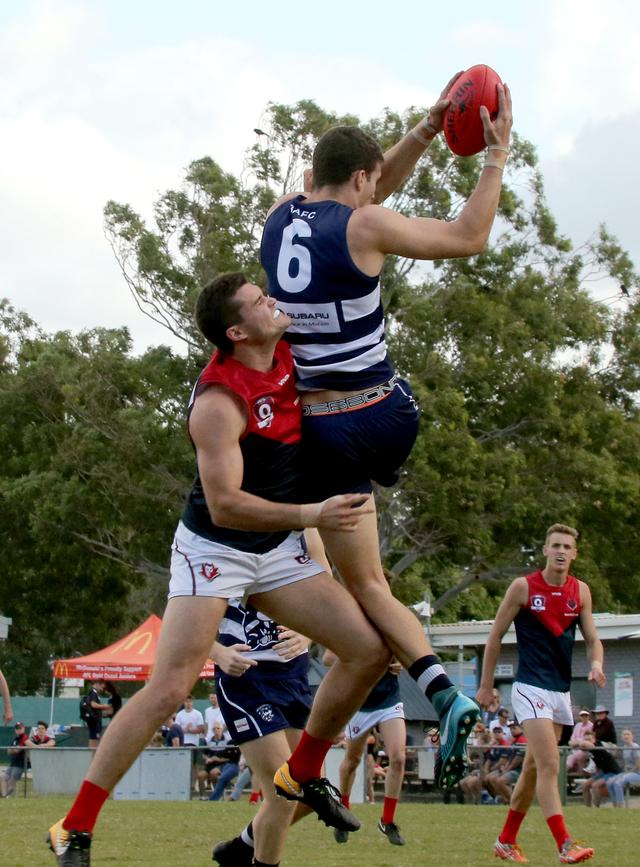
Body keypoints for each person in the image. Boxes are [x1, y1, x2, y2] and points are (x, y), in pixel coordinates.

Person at [48, 272, 391, 866]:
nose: (274, 302)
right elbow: (228, 503)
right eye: (261, 302)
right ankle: (73, 827)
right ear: (237, 331)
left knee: (368, 650)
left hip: (277, 549)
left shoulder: (286, 346)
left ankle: (303, 772)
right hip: (216, 551)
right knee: (170, 689)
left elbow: (318, 223)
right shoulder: (217, 401)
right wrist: (315, 513)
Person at [261, 75, 513, 790]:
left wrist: (425, 132)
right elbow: (470, 236)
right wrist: (494, 155)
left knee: (365, 580)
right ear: (365, 180)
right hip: (381, 414)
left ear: (312, 175)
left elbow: (357, 192)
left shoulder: (280, 217)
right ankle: (444, 690)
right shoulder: (365, 225)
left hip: (318, 429)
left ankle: (427, 695)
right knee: (368, 578)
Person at [476, 523, 606, 864]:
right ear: (545, 550)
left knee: (534, 769)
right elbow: (494, 638)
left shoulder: (581, 592)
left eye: (567, 546)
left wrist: (596, 664)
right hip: (528, 687)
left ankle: (505, 840)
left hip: (559, 693)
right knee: (550, 764)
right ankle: (565, 843)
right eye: (556, 545)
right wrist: (487, 685)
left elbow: (593, 638)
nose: (561, 551)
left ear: (574, 554)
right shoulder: (523, 587)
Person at [211, 595, 315, 867]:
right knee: (284, 793)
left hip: (293, 678)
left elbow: (322, 604)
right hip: (246, 679)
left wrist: (306, 635)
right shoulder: (218, 555)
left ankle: (241, 845)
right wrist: (218, 652)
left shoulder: (307, 551)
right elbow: (182, 625)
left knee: (311, 793)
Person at [322, 649, 407, 846]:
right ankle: (343, 811)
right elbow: (328, 658)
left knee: (398, 758)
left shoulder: (390, 624)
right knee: (352, 761)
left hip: (389, 700)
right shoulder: (351, 622)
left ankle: (387, 821)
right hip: (359, 703)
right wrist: (367, 655)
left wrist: (401, 662)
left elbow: (408, 651)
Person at [579, 731, 622, 807]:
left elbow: (586, 745)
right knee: (585, 786)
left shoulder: (597, 745)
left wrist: (582, 742)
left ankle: (596, 807)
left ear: (594, 739)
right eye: (586, 739)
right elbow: (574, 745)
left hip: (613, 772)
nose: (587, 741)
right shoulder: (588, 749)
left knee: (595, 785)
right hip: (603, 771)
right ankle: (588, 807)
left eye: (589, 739)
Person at [606, 728, 640, 807]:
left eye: (628, 734)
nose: (626, 736)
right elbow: (625, 763)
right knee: (610, 782)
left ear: (632, 736)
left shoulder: (635, 747)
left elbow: (638, 765)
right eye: (624, 734)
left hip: (638, 774)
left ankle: (620, 806)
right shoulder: (624, 748)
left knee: (618, 783)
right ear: (622, 737)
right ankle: (615, 805)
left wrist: (626, 774)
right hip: (629, 773)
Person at [0, 721, 29, 797]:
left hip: (20, 764)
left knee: (11, 781)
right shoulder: (16, 739)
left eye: (20, 728)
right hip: (13, 763)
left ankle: (5, 796)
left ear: (23, 728)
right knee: (2, 778)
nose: (18, 730)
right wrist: (14, 749)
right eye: (17, 728)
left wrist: (13, 749)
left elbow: (17, 750)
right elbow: (8, 751)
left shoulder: (25, 737)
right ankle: (4, 796)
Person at [84, 680, 111, 748]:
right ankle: (92, 751)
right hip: (93, 720)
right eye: (102, 687)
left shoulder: (93, 693)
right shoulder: (93, 693)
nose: (102, 689)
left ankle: (93, 750)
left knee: (94, 736)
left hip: (94, 719)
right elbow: (93, 705)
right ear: (97, 684)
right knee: (94, 737)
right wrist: (105, 706)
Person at [566, 709, 593, 774]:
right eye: (582, 716)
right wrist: (577, 742)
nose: (584, 717)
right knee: (568, 762)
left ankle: (580, 775)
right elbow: (572, 740)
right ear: (580, 717)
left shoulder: (591, 725)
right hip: (574, 749)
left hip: (586, 750)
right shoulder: (578, 725)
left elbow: (588, 740)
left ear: (588, 717)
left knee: (579, 756)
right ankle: (562, 778)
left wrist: (578, 742)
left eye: (586, 716)